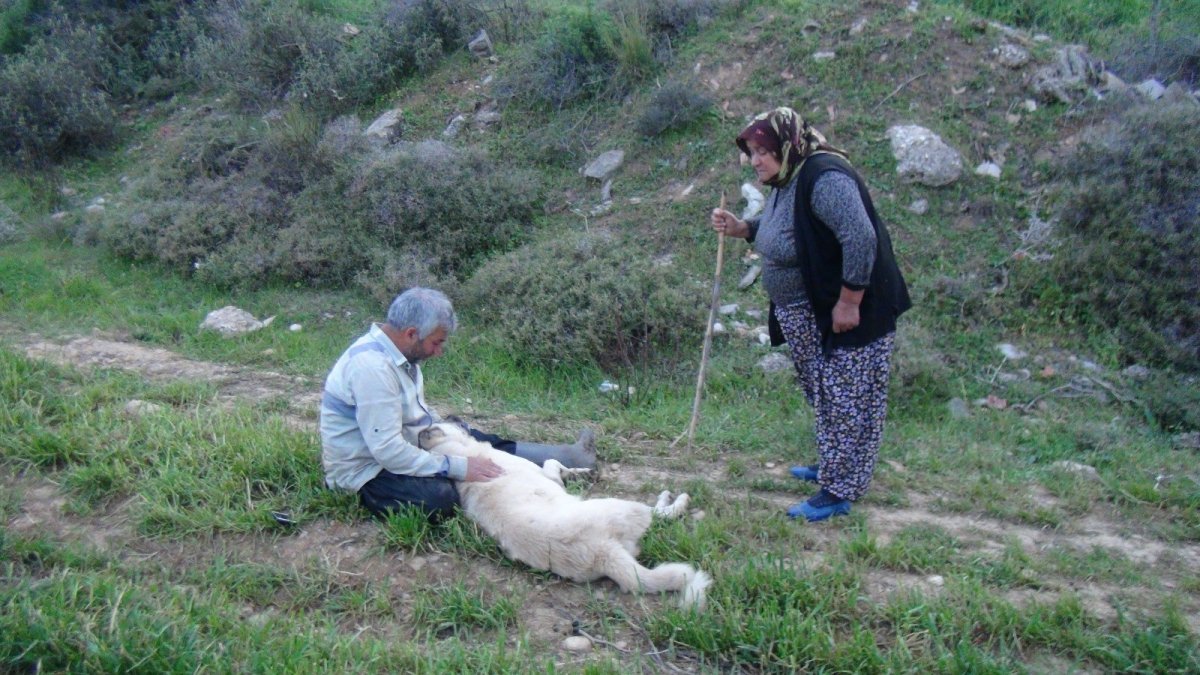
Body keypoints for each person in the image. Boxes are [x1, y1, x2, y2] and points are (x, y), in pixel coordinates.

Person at [710, 107, 911, 522]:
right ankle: (835, 463)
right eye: (751, 152)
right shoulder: (790, 175)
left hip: (849, 309)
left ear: (787, 143)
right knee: (825, 391)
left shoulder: (824, 177)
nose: (756, 160)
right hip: (809, 309)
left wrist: (849, 301)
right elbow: (785, 224)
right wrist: (743, 228)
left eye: (763, 150)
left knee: (848, 397)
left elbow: (859, 236)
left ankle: (838, 490)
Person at [320, 287, 597, 519]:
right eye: (437, 343)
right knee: (441, 497)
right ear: (412, 333)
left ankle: (564, 456)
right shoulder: (372, 369)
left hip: (409, 441)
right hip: (366, 471)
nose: (439, 352)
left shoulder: (401, 354)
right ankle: (533, 483)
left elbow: (415, 415)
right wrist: (460, 467)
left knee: (474, 438)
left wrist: (454, 435)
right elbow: (388, 452)